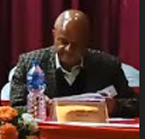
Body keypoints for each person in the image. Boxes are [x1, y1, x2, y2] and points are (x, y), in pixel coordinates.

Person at [9, 9, 137, 118]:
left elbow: (135, 104)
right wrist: (37, 108)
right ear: (54, 35)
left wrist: (115, 107)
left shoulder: (108, 66)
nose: (69, 49)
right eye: (63, 42)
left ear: (87, 40)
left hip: (93, 135)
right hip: (48, 136)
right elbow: (14, 109)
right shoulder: (28, 63)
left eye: (76, 44)